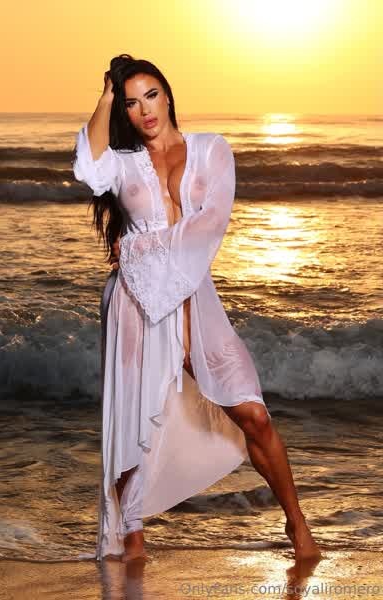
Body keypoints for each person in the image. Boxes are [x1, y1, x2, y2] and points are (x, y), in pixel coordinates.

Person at [72, 54, 322, 564]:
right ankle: (133, 541)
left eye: (151, 96)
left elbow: (211, 223)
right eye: (130, 103)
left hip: (193, 301)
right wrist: (105, 95)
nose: (145, 110)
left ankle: (298, 525)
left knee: (253, 414)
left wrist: (136, 246)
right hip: (135, 303)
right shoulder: (122, 163)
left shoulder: (211, 150)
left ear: (168, 95)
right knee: (133, 422)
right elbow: (87, 168)